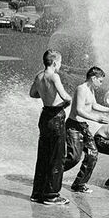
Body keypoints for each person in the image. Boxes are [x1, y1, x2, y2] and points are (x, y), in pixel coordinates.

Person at [64, 66, 109, 194]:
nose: (101, 84)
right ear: (93, 78)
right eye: (100, 81)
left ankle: (79, 184)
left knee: (93, 154)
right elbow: (79, 110)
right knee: (74, 158)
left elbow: (94, 105)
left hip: (83, 127)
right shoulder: (81, 89)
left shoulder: (91, 90)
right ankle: (50, 173)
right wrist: (97, 119)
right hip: (73, 126)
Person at [30, 50, 71, 205]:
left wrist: (45, 95)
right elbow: (65, 96)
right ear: (54, 62)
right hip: (55, 117)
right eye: (59, 63)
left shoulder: (39, 76)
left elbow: (32, 94)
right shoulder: (54, 76)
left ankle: (38, 192)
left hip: (44, 116)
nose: (60, 65)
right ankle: (51, 195)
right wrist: (68, 102)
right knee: (56, 157)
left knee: (43, 155)